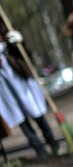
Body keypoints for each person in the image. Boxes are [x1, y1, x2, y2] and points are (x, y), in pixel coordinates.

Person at [0, 24, 59, 158]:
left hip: (22, 83)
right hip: (4, 90)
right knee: (20, 119)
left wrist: (21, 42)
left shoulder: (9, 42)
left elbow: (26, 55)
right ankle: (39, 149)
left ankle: (53, 143)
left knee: (37, 113)